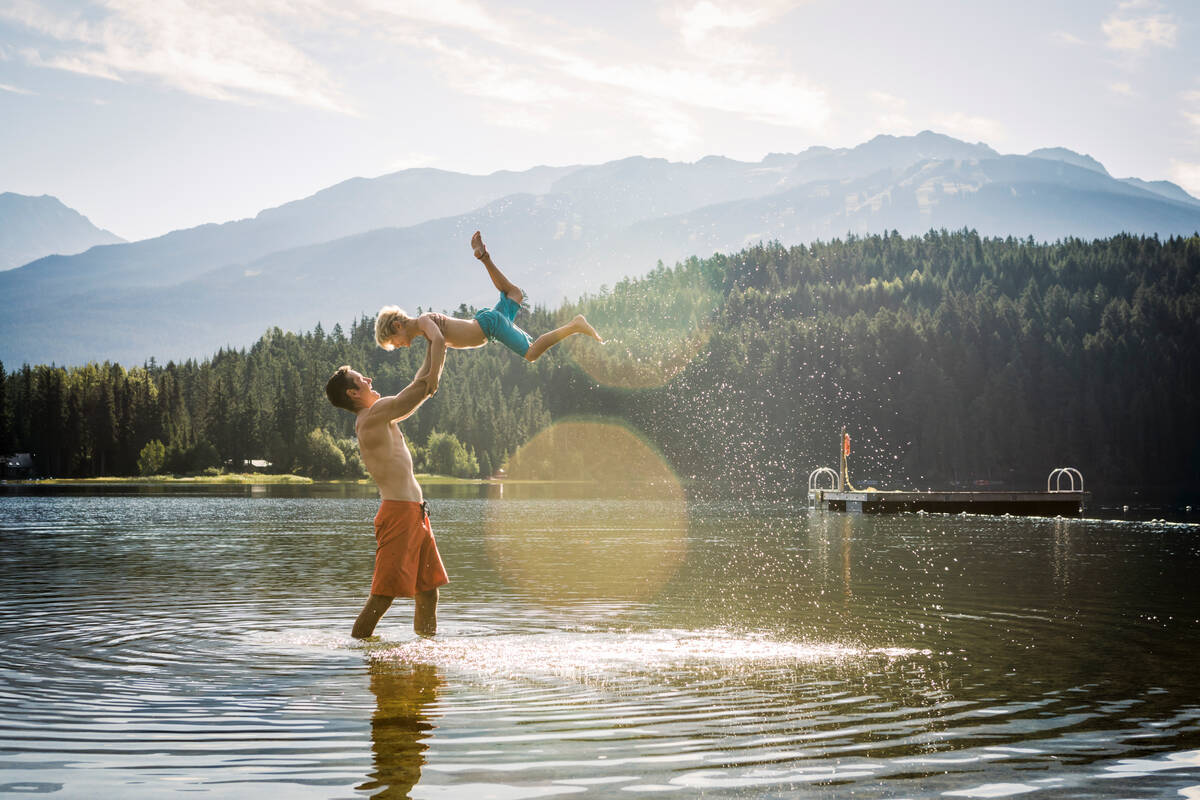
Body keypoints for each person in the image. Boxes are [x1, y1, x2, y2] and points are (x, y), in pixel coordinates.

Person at [325, 347, 448, 639]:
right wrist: (436, 342)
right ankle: (360, 655)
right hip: (399, 515)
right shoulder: (372, 417)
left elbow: (418, 387)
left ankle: (425, 657)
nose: (368, 379)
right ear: (353, 394)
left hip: (416, 513)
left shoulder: (382, 417)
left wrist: (433, 348)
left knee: (428, 593)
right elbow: (420, 391)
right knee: (382, 597)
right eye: (361, 379)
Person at [374, 231, 602, 374]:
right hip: (487, 322)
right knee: (515, 294)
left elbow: (440, 342)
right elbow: (431, 356)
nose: (398, 346)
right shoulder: (426, 332)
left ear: (397, 326)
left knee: (531, 353)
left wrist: (433, 378)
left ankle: (575, 325)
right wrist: (422, 379)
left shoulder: (424, 322)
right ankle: (484, 257)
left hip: (489, 325)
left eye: (394, 342)